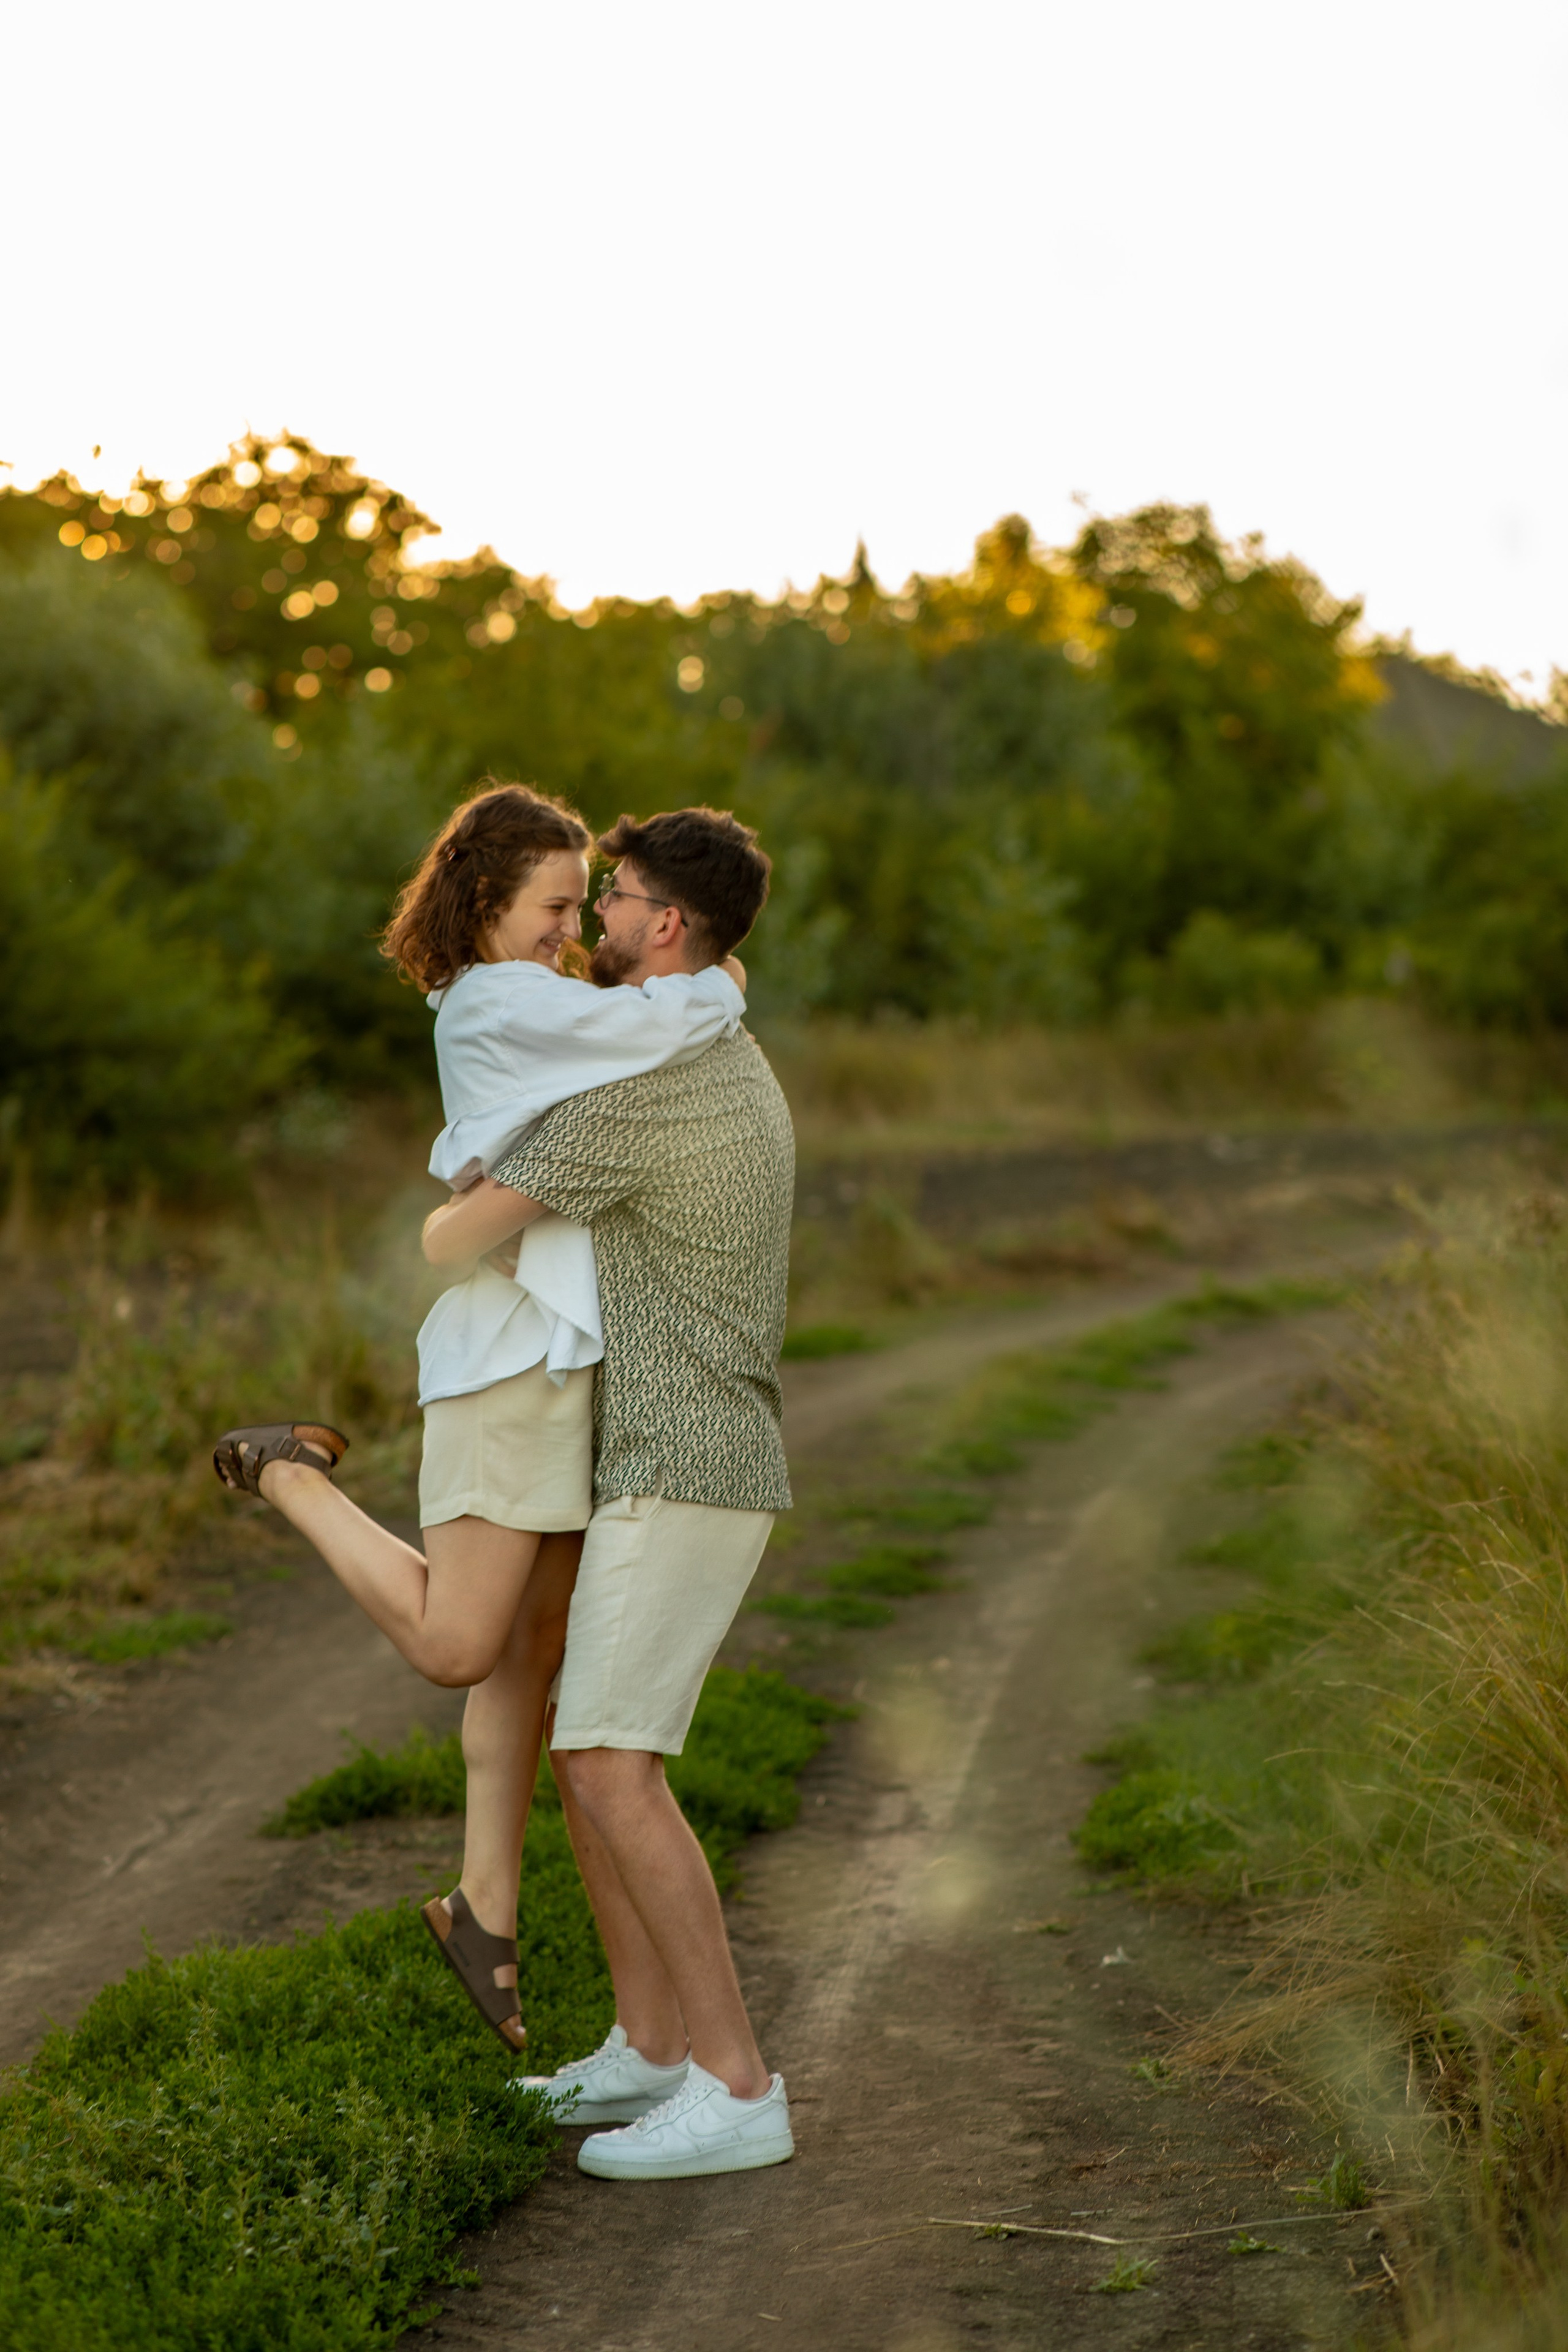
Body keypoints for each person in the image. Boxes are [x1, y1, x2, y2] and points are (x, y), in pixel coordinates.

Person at [209, 782, 745, 2056]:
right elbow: (666, 1029)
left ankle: (484, 1912)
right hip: (503, 1360)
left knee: (528, 1657)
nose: (571, 931)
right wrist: (718, 982)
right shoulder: (502, 996)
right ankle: (286, 1469)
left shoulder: (526, 993)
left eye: (581, 907)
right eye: (554, 906)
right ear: (485, 899)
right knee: (461, 1645)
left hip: (560, 1359)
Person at [421, 806, 796, 2181]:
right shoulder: (706, 1038)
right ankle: (646, 2049)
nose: (595, 925)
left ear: (666, 927)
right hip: (668, 1458)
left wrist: (451, 1198)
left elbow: (455, 1232)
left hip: (684, 1465)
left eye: (615, 899)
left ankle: (735, 2084)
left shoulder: (645, 1094)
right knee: (593, 1766)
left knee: (609, 1768)